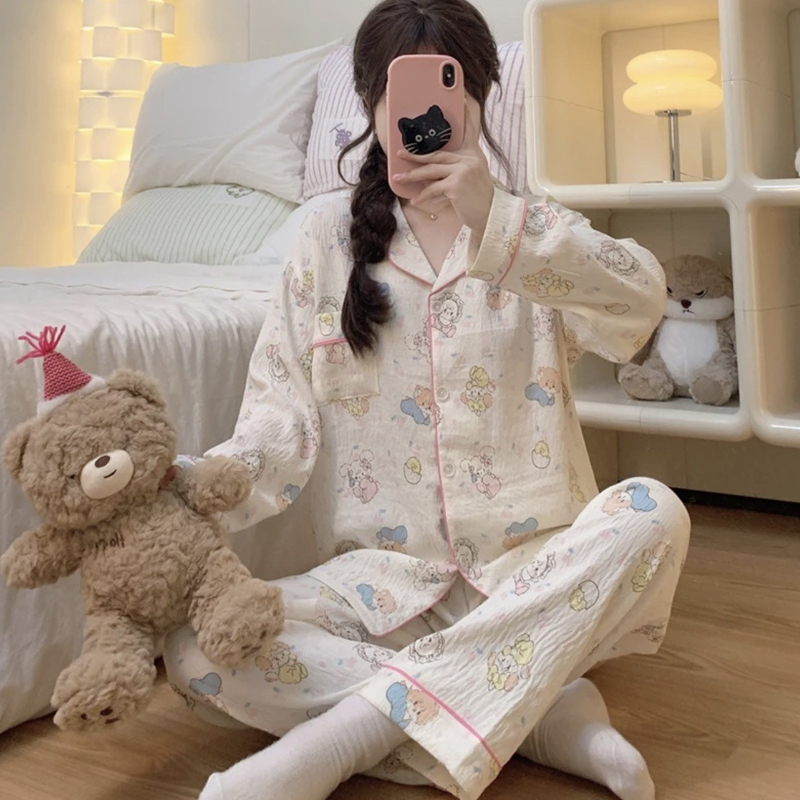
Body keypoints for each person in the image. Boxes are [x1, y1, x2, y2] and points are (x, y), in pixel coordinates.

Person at [164, 1, 691, 799]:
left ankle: (340, 741)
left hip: (530, 579)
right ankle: (541, 710)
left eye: (451, 87)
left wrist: (498, 221)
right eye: (393, 93)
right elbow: (278, 425)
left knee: (653, 511)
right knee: (198, 644)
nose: (421, 115)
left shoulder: (532, 225)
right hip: (378, 586)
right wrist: (185, 489)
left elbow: (641, 304)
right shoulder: (322, 238)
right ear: (371, 104)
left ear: (478, 95)